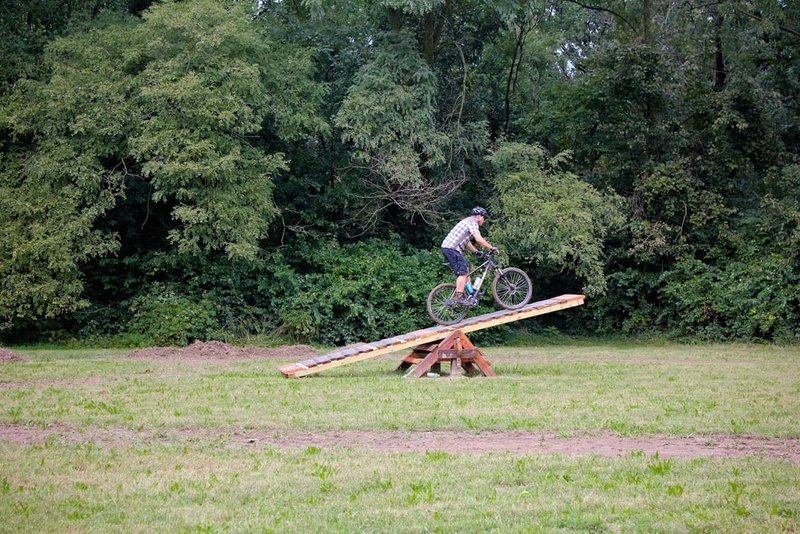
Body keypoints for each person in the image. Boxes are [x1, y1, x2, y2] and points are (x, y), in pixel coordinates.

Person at [441, 207, 499, 305]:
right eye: (484, 219)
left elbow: (467, 242)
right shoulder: (473, 223)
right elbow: (479, 239)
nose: (484, 221)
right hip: (452, 249)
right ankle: (458, 297)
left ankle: (470, 293)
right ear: (480, 216)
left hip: (448, 248)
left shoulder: (467, 221)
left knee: (465, 269)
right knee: (463, 273)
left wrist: (477, 252)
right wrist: (491, 247)